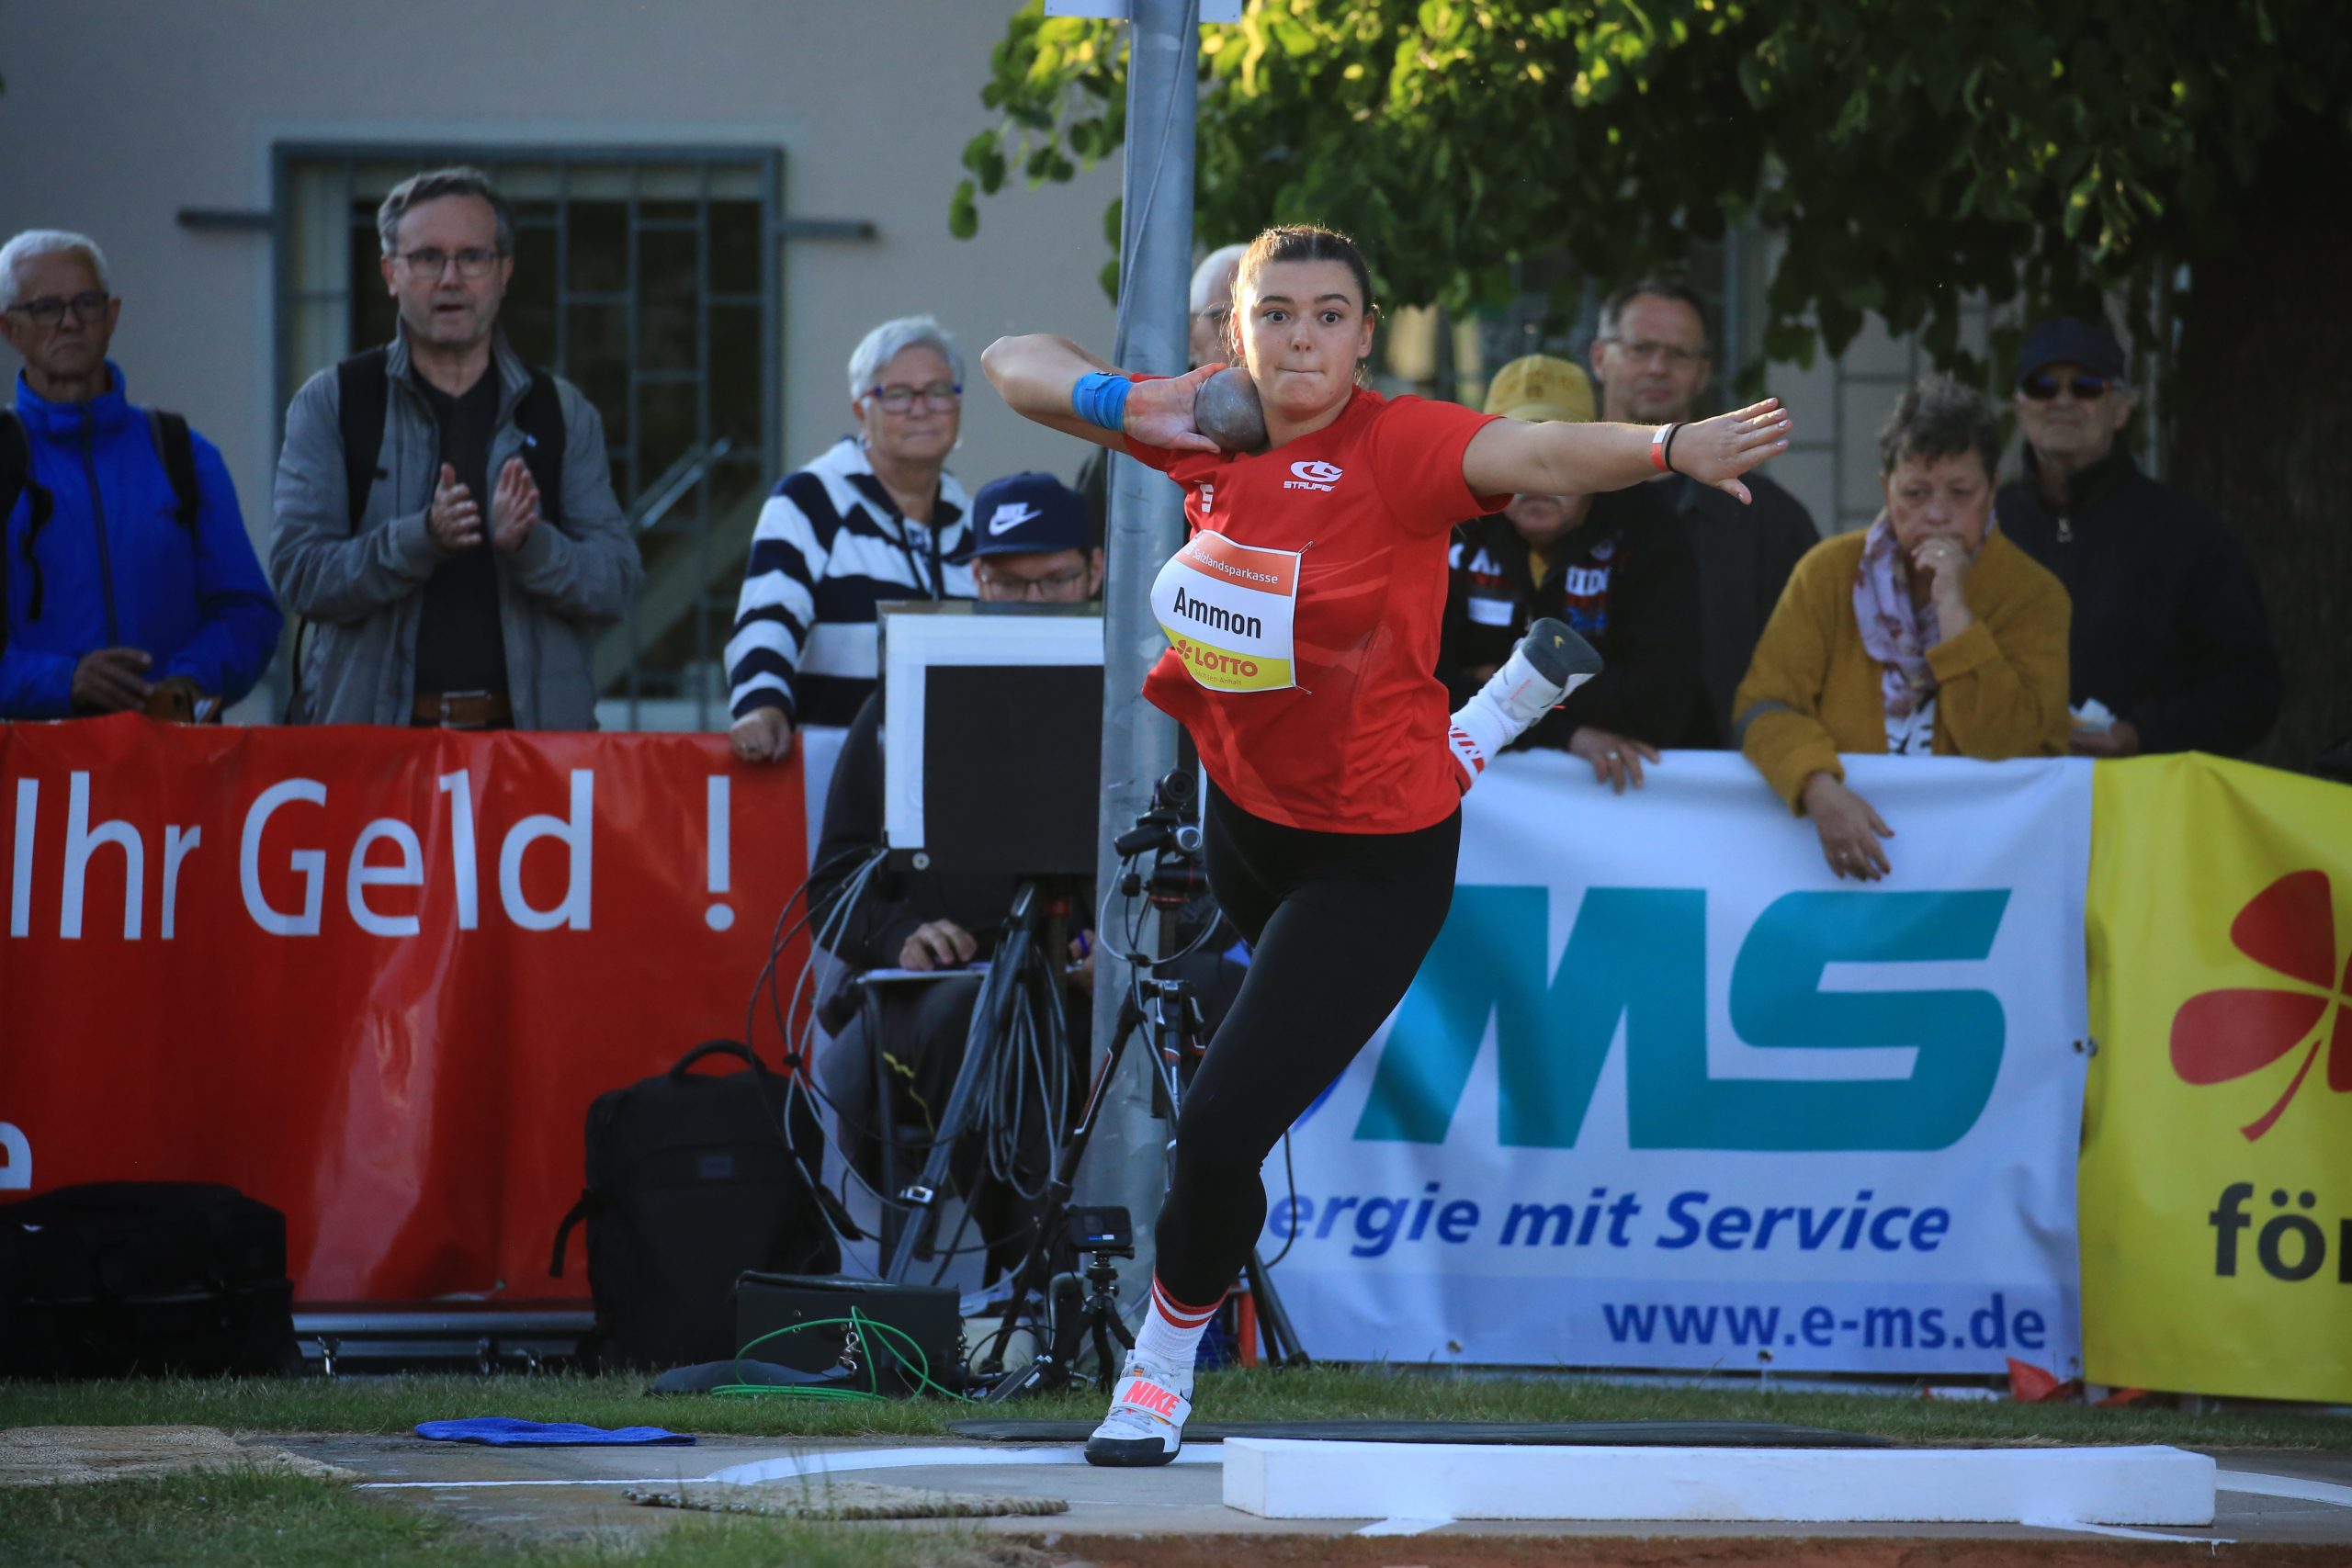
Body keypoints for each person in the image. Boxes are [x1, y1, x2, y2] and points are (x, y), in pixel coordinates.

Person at [982, 224, 1790, 1464]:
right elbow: (1010, 360)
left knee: (1219, 1126)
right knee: (1233, 1080)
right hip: (1242, 819)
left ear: (1366, 335)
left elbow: (1537, 450)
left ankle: (1157, 1368)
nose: (1301, 338)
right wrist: (1138, 403)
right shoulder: (1205, 421)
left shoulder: (1399, 445)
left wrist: (1667, 446)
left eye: (1328, 315)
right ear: (1237, 330)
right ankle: (1481, 725)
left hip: (1374, 857)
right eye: (1276, 313)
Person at [808, 472, 1102, 1283]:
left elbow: (1200, 876)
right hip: (940, 1002)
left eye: (1055, 581)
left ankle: (1110, 1287)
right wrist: (901, 935)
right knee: (978, 1022)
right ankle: (1035, 1284)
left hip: (1087, 990)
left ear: (1096, 570)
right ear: (975, 577)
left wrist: (1126, 946)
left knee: (1178, 1006)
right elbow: (832, 885)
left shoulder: (1141, 705)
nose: (1033, 603)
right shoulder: (906, 697)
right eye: (1010, 584)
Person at [271, 168, 641, 730]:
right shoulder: (335, 402)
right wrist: (421, 538)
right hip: (374, 749)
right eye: (427, 258)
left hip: (527, 752)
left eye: (473, 257)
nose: (451, 279)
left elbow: (616, 584)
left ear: (504, 273)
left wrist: (532, 545)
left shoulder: (560, 412)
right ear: (390, 273)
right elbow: (299, 575)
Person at [1733, 377, 2069, 881]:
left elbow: (2007, 747)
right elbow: (1763, 707)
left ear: (1992, 490)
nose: (1937, 514)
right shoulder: (1827, 574)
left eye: (1960, 493)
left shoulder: (2034, 595)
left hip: (1985, 870)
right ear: (1886, 488)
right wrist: (1817, 788)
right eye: (1915, 493)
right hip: (1840, 861)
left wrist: (1954, 610)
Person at [1, 230, 278, 720]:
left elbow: (249, 614)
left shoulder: (183, 453)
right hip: (34, 762)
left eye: (86, 303)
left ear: (111, 316)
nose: (69, 322)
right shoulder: (6, 459)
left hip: (170, 755)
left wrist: (189, 681)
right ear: (10, 329)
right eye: (45, 308)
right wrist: (64, 681)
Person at [1995, 316, 2280, 758]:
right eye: (2043, 386)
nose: (2062, 401)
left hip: (2142, 790)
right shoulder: (1984, 526)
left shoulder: (2188, 532)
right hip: (2010, 790)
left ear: (2122, 408)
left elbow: (2251, 689)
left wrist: (2142, 734)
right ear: (2019, 406)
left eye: (2086, 386)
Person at [1439, 353, 1710, 791]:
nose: (1535, 477)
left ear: (1592, 458)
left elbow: (1659, 704)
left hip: (1623, 801)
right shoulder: (1453, 527)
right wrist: (1565, 732)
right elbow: (1423, 690)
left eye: (1556, 454)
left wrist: (1497, 684)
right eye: (1517, 453)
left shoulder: (1648, 530)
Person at [726, 316, 974, 763]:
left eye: (938, 391)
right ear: (861, 409)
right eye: (897, 394)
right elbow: (768, 616)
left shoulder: (973, 520)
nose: (921, 409)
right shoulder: (810, 500)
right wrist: (761, 704)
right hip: (834, 772)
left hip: (952, 769)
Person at [1586, 277, 1820, 745]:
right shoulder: (1548, 501)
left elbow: (1809, 668)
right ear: (1599, 358)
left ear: (1702, 371)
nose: (1658, 367)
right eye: (1640, 348)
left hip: (1732, 777)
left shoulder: (1767, 519)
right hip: (1561, 774)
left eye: (1679, 354)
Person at [1079, 243, 1249, 536]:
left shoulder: (1312, 419)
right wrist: (1116, 401)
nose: (1241, 337)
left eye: (1271, 316)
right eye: (1223, 318)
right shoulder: (1149, 414)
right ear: (1189, 334)